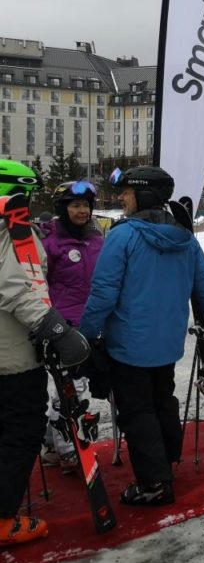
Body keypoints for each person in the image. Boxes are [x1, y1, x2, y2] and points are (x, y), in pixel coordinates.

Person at [80, 165, 204, 506]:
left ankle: (154, 482)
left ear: (142, 195)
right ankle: (166, 459)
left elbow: (103, 293)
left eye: (127, 193)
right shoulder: (185, 237)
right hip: (167, 342)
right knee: (162, 401)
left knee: (137, 411)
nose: (122, 199)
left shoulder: (123, 236)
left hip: (129, 344)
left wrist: (84, 334)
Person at [0, 162, 90, 545]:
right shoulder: (11, 227)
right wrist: (55, 329)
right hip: (13, 355)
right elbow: (18, 288)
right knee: (21, 431)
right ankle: (3, 518)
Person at [39, 180, 105, 472]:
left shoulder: (97, 240)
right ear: (63, 209)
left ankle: (52, 446)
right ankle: (68, 450)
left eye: (86, 206)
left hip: (91, 324)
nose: (82, 211)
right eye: (76, 205)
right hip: (62, 327)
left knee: (77, 386)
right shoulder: (49, 242)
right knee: (70, 388)